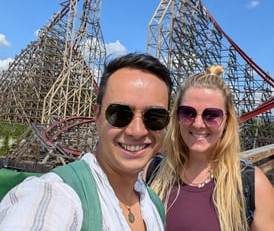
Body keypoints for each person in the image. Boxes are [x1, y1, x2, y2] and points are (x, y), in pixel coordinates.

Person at [0, 53, 173, 230]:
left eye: (154, 117)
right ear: (97, 115)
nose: (137, 131)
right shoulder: (55, 194)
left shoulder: (153, 205)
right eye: (120, 114)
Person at [149, 65, 274, 231]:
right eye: (187, 112)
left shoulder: (253, 185)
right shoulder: (153, 172)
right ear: (176, 117)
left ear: (227, 120)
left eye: (211, 115)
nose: (198, 124)